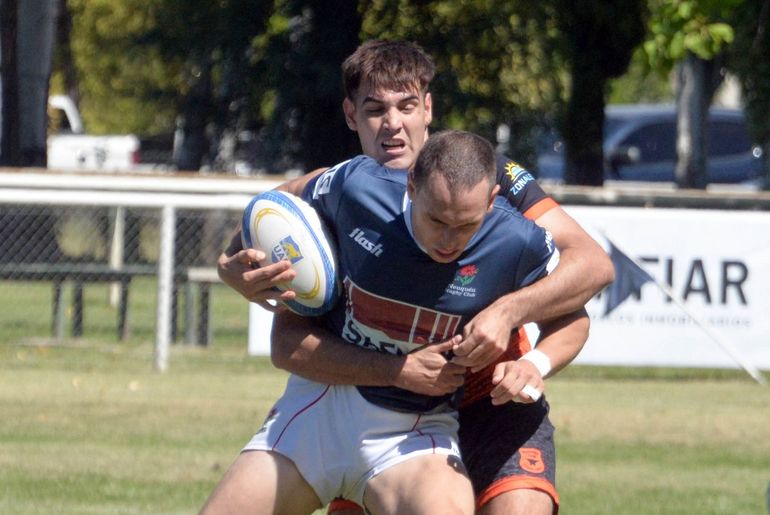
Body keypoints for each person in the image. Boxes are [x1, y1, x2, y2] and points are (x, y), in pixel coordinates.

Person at [217, 40, 614, 514]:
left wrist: (508, 315)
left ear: (428, 108)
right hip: (368, 407)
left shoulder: (492, 182)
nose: (392, 124)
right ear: (350, 115)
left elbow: (589, 264)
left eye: (406, 106)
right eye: (374, 109)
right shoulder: (345, 192)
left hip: (490, 399)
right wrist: (230, 265)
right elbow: (268, 224)